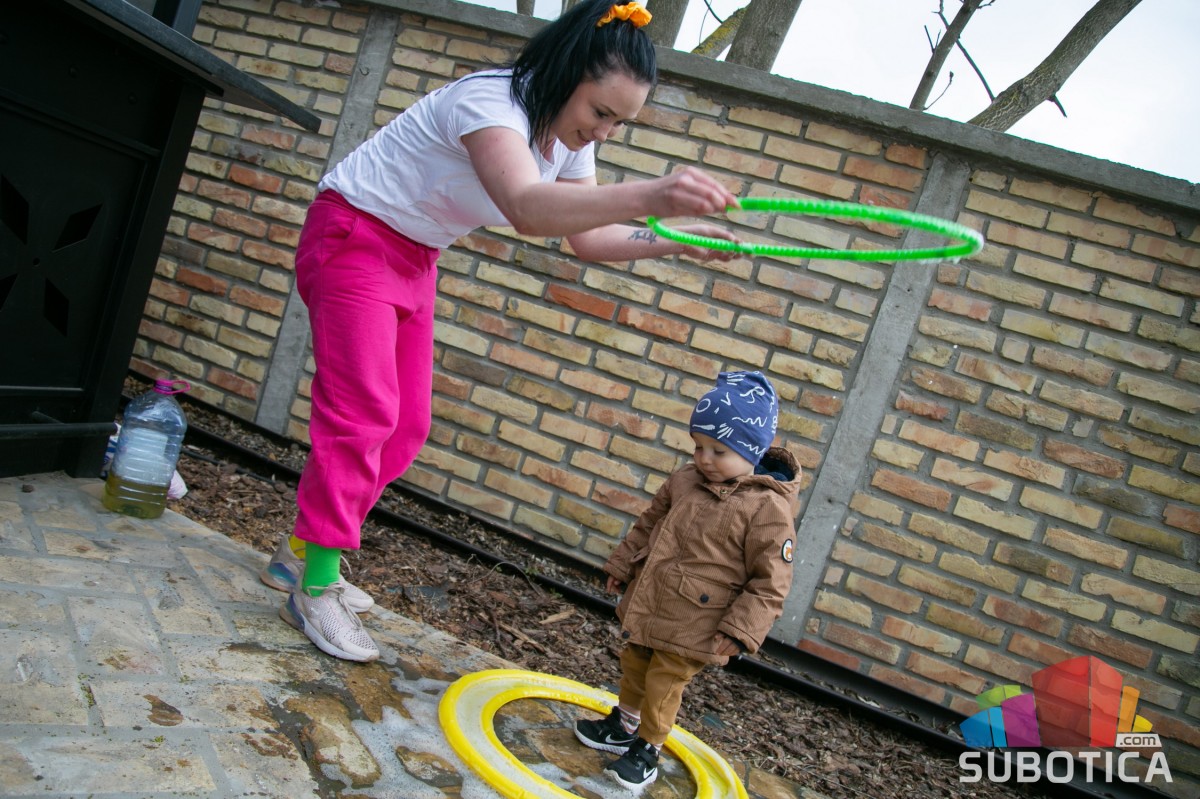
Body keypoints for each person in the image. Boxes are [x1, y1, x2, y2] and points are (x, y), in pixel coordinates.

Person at [258, 0, 742, 664]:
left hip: (415, 254)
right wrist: (652, 194)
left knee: (406, 426)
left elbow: (588, 237)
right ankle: (315, 587)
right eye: (601, 112)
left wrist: (679, 241)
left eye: (620, 123)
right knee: (364, 413)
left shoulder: (562, 140)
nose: (603, 133)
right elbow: (526, 207)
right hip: (354, 234)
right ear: (566, 73)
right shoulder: (490, 102)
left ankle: (300, 553)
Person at [574, 370, 801, 791]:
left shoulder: (767, 509)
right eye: (698, 446)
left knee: (664, 683)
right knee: (635, 664)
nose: (704, 459)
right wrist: (622, 565)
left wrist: (742, 630)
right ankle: (624, 724)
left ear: (751, 450)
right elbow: (649, 524)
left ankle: (648, 748)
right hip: (652, 600)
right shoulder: (685, 479)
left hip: (699, 620)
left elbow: (771, 581)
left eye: (719, 450)